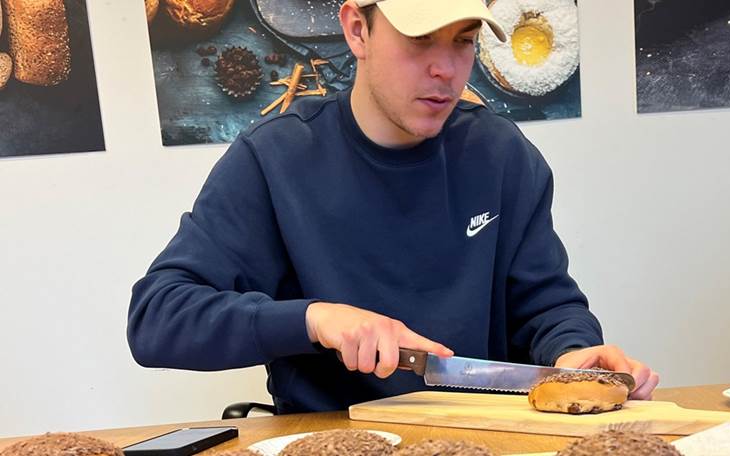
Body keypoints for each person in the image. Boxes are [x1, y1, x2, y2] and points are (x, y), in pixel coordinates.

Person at [127, 0, 659, 414]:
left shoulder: (502, 156)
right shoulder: (274, 159)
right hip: (331, 438)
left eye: (464, 41)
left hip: (482, 435)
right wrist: (315, 320)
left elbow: (546, 305)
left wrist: (573, 358)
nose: (447, 70)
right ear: (358, 29)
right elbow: (157, 317)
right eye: (420, 41)